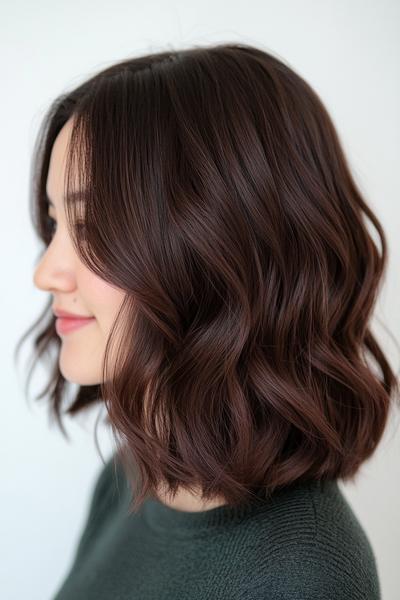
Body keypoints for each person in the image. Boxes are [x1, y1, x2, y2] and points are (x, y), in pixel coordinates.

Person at [16, 41, 399, 599]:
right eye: (56, 224)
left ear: (220, 246)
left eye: (95, 226)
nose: (47, 272)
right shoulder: (128, 479)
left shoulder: (305, 575)